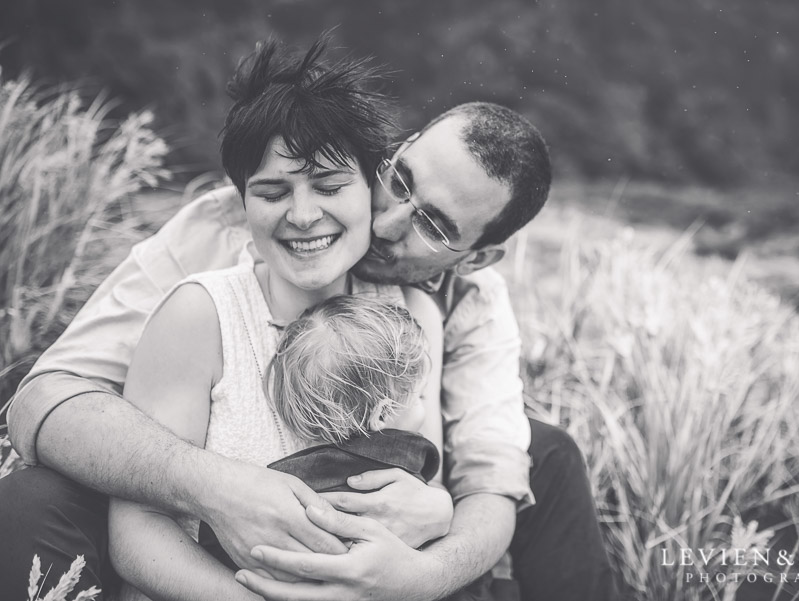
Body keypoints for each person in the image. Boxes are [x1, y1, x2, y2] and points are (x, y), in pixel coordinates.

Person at [0, 36, 606, 601]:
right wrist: (218, 488)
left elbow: (483, 479)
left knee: (547, 452)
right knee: (36, 495)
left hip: (354, 531)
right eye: (399, 180)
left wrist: (424, 559)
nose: (391, 222)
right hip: (186, 488)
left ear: (476, 257)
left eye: (436, 225)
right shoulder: (217, 243)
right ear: (393, 152)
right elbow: (45, 399)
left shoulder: (448, 306)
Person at [112, 292, 444, 600]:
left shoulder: (280, 478)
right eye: (420, 397)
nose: (424, 409)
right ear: (382, 413)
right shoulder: (404, 456)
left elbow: (215, 540)